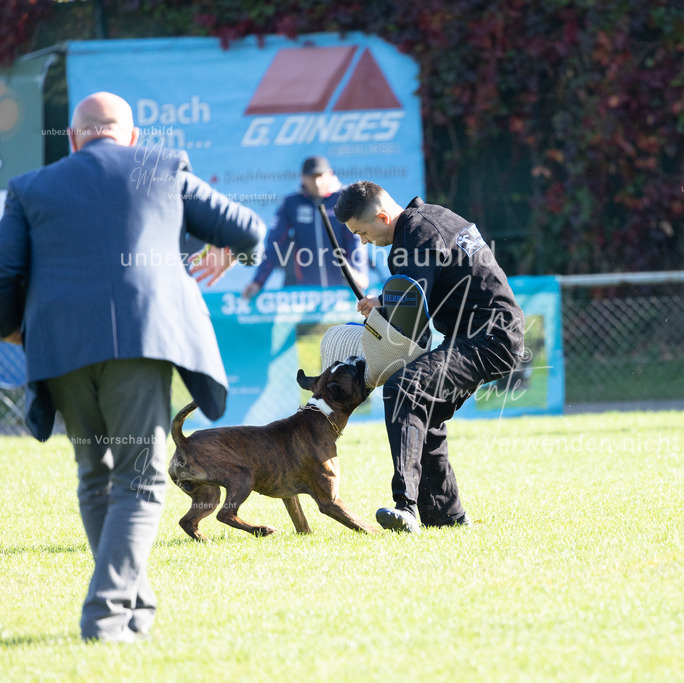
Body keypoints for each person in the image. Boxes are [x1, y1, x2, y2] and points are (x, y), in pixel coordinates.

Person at [0, 92, 265, 642]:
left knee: (96, 477)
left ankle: (133, 606)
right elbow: (248, 230)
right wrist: (226, 253)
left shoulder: (30, 188)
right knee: (140, 480)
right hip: (141, 343)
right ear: (133, 136)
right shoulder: (164, 167)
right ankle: (104, 614)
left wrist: (16, 331)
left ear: (74, 139)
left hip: (61, 349)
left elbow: (4, 274)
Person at [334, 180, 525, 534]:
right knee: (426, 412)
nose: (363, 241)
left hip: (489, 336)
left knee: (403, 388)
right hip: (488, 333)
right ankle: (446, 517)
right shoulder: (434, 218)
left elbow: (412, 307)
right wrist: (385, 302)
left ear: (381, 216)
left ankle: (405, 506)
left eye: (362, 232)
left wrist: (380, 305)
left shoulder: (416, 236)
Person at [242, 156, 368, 299]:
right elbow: (274, 245)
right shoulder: (291, 203)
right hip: (304, 294)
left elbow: (356, 239)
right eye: (311, 177)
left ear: (330, 174)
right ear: (302, 178)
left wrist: (359, 272)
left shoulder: (344, 198)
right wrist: (258, 282)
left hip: (341, 291)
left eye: (320, 176)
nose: (317, 182)